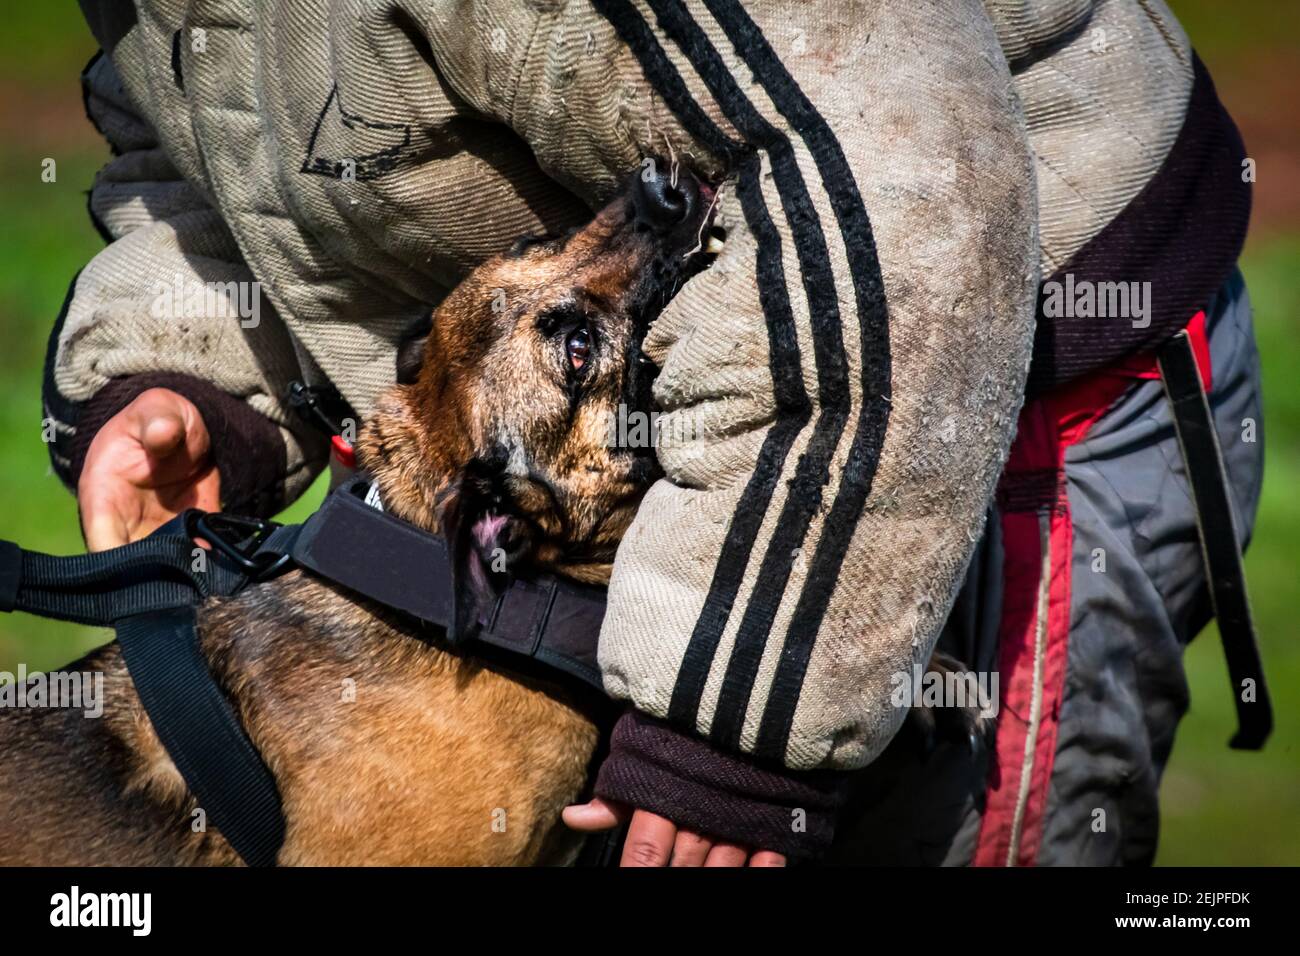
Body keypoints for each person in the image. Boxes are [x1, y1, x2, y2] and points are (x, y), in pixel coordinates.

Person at [52, 0, 1260, 866]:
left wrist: (744, 722)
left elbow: (896, 196)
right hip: (636, 449)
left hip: (961, 392)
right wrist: (193, 367)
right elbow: (218, 122)